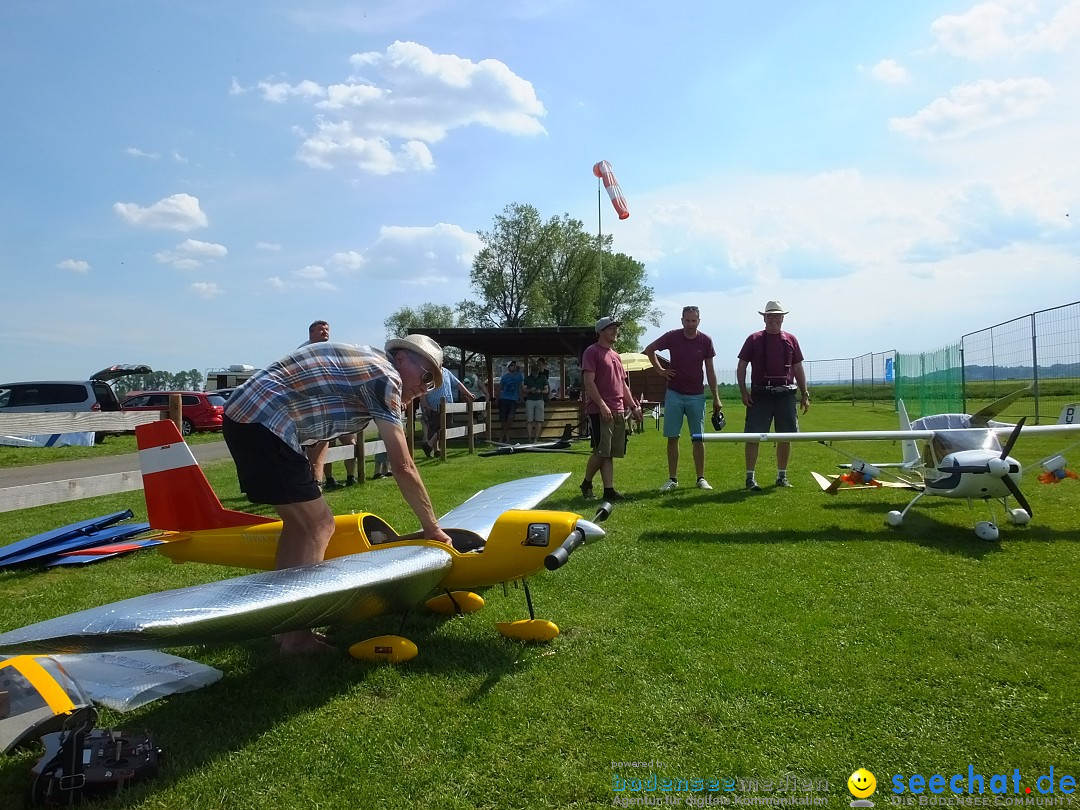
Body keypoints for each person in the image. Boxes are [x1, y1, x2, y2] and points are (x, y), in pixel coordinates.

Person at [222, 335, 454, 655]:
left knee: (301, 527)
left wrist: (311, 471)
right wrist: (432, 528)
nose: (426, 387)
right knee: (319, 525)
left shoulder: (372, 368)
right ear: (402, 359)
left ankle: (284, 628)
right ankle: (298, 639)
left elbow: (316, 410)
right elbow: (403, 465)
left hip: (252, 417)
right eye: (426, 376)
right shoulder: (386, 377)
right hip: (265, 419)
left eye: (433, 383)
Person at [644, 305, 723, 492]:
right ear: (682, 321)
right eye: (687, 320)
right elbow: (650, 349)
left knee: (698, 438)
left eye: (694, 320)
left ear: (699, 321)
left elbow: (710, 371)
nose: (690, 324)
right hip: (674, 393)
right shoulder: (672, 336)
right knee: (673, 437)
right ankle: (672, 479)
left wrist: (716, 398)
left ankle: (701, 478)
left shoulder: (705, 341)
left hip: (697, 395)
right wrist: (661, 371)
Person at [736, 300, 811, 491]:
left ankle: (782, 475)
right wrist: (744, 392)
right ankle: (750, 478)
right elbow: (742, 366)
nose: (774, 319)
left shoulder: (791, 340)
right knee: (753, 436)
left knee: (785, 436)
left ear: (783, 318)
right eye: (770, 315)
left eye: (777, 315)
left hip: (786, 394)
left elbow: (798, 367)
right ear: (764, 317)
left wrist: (805, 393)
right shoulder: (753, 339)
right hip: (760, 395)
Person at [579, 317, 642, 502]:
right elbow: (588, 382)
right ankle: (586, 483)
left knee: (610, 452)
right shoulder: (592, 352)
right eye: (611, 328)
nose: (615, 331)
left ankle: (609, 491)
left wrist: (633, 406)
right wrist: (602, 405)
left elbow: (623, 385)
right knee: (601, 450)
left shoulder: (615, 355)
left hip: (618, 409)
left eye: (616, 328)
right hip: (600, 410)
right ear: (600, 331)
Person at [300, 320, 357, 490]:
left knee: (350, 441)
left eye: (327, 329)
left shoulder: (329, 351)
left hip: (337, 406)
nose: (325, 331)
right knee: (324, 444)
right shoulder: (303, 353)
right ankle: (328, 479)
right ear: (311, 333)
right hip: (316, 409)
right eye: (320, 329)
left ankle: (351, 476)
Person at [421, 366, 475, 456]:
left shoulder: (446, 372)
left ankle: (429, 445)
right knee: (435, 428)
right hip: (433, 406)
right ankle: (435, 449)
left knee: (446, 426)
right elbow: (422, 390)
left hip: (448, 405)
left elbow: (458, 384)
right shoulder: (429, 372)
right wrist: (425, 406)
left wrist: (468, 394)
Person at [497, 360, 524, 443]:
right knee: (503, 419)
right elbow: (500, 389)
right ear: (508, 368)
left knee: (510, 417)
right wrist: (497, 399)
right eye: (511, 365)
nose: (514, 366)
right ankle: (507, 438)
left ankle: (502, 436)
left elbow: (520, 388)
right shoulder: (504, 378)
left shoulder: (519, 376)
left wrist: (521, 397)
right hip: (504, 399)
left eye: (514, 365)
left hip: (513, 399)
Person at [523, 362, 549, 442]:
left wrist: (540, 391)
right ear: (531, 371)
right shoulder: (527, 378)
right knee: (529, 420)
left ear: (538, 371)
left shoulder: (543, 378)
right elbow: (524, 390)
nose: (535, 373)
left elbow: (547, 390)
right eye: (534, 371)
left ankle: (536, 438)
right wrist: (530, 390)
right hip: (530, 399)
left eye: (536, 371)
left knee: (539, 420)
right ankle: (529, 438)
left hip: (539, 399)